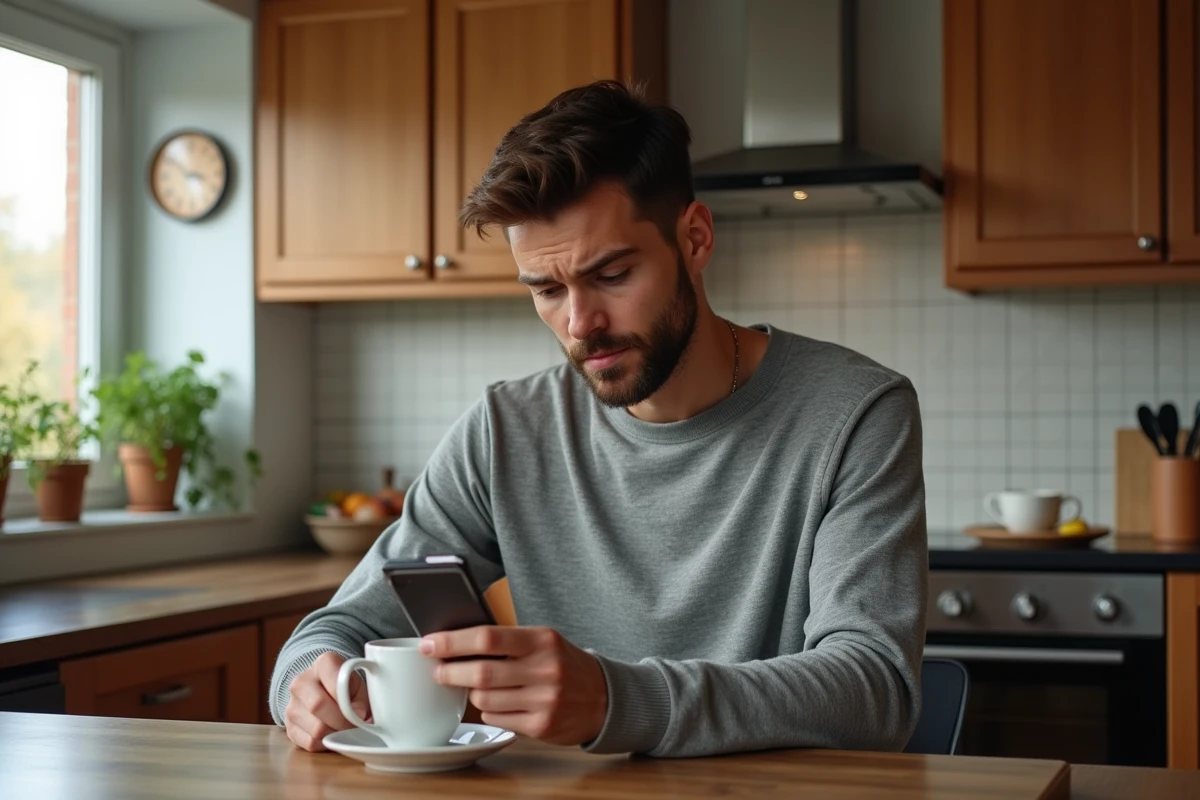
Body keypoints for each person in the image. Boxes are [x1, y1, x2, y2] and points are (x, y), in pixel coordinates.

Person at [271, 80, 928, 758]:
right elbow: (339, 626)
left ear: (695, 239)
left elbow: (874, 691)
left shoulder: (856, 413)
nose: (580, 323)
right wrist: (305, 682)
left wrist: (617, 701)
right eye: (548, 290)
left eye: (612, 275)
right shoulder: (505, 430)